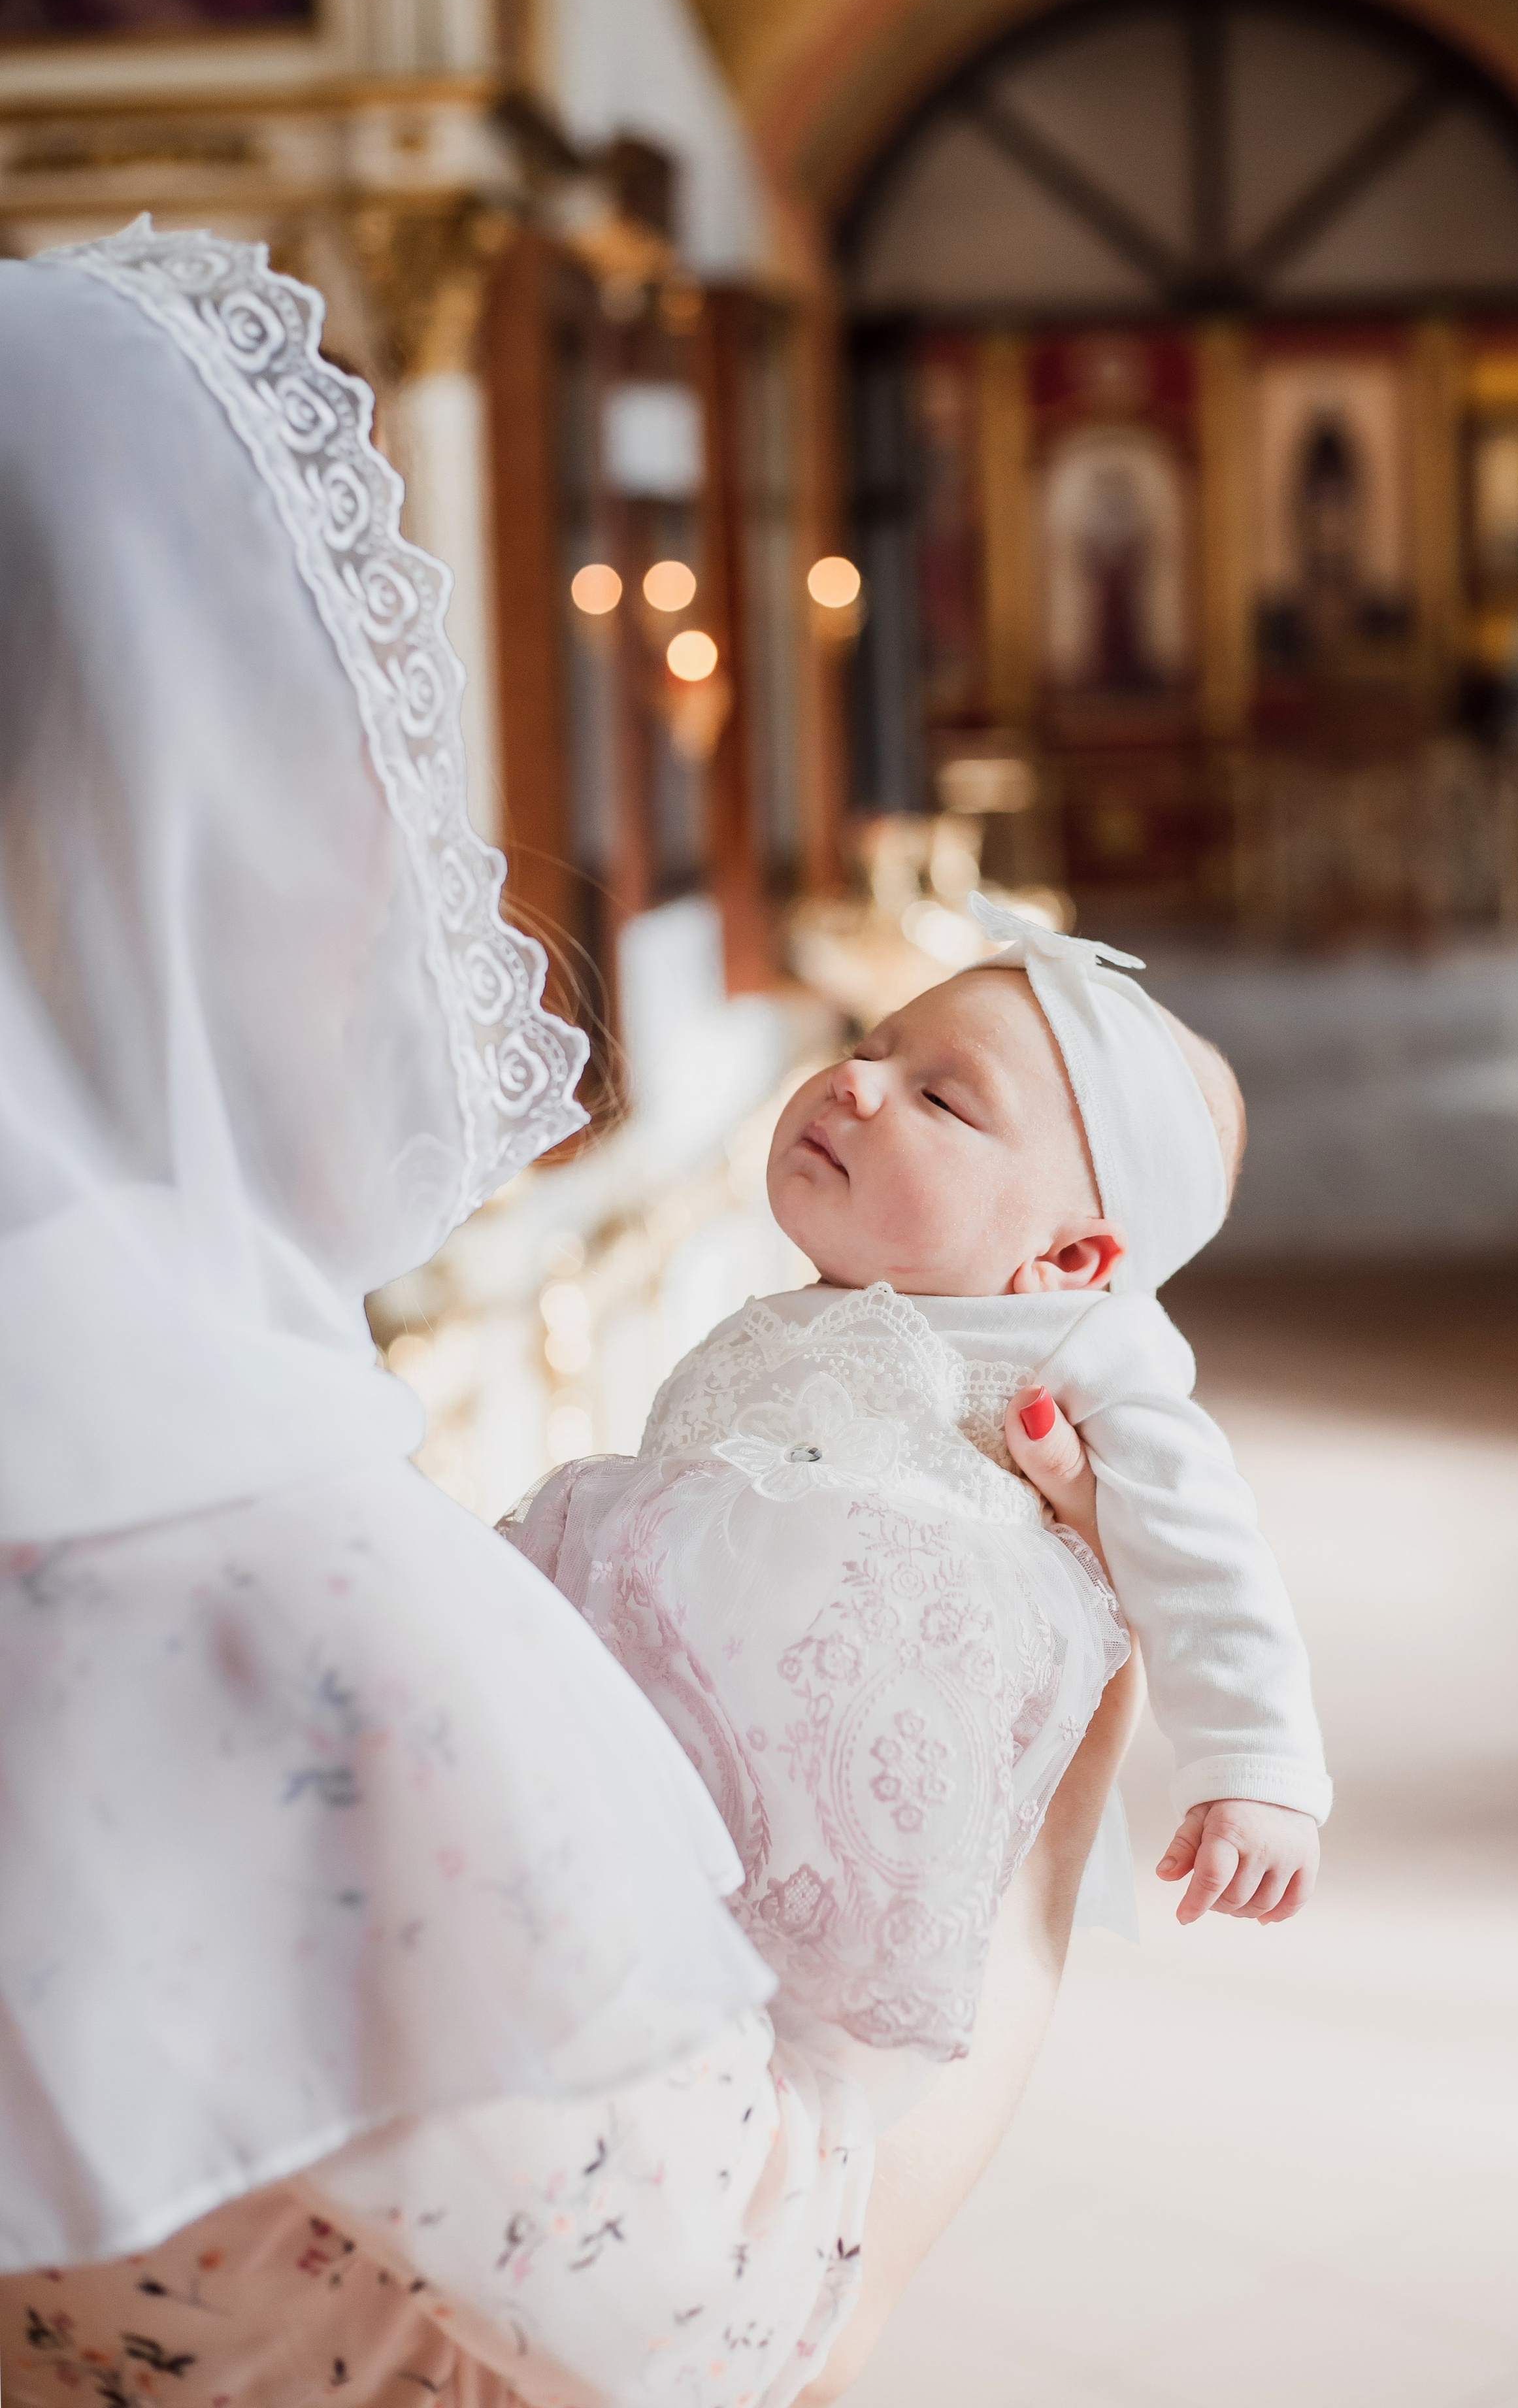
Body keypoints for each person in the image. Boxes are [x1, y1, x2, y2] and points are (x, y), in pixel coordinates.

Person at [0, 219, 1136, 2408]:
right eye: (355, 741)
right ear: (174, 833)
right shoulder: (277, 1594)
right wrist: (1057, 1821)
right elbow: (751, 2329)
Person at [504, 897, 1330, 2139]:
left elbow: (1205, 1547)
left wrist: (1255, 1765)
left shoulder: (1078, 1344)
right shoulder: (781, 1311)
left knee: (785, 2038)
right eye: (870, 1045)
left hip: (873, 1745)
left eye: (942, 1099)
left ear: (1070, 1259)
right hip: (678, 1721)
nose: (857, 1083)